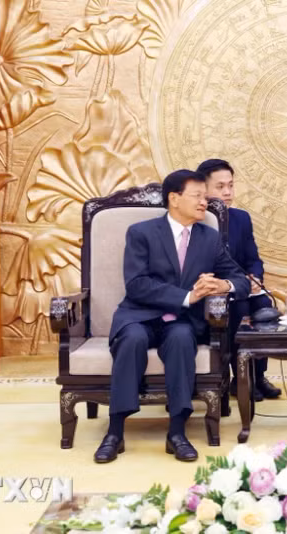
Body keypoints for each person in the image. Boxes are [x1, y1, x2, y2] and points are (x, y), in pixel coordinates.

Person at [94, 169, 250, 464]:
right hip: (140, 315)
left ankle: (177, 432)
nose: (205, 202)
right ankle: (115, 432)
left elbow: (239, 279)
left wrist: (222, 285)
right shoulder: (142, 233)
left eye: (206, 196)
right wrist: (188, 296)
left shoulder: (209, 237)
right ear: (174, 199)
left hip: (182, 321)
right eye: (198, 196)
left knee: (180, 339)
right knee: (133, 340)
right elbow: (137, 284)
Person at [197, 158, 282, 402]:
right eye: (220, 186)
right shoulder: (196, 217)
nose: (227, 192)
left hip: (244, 287)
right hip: (217, 292)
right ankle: (240, 378)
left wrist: (255, 277)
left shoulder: (240, 218)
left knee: (264, 306)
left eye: (231, 186)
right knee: (240, 307)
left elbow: (253, 258)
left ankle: (258, 375)